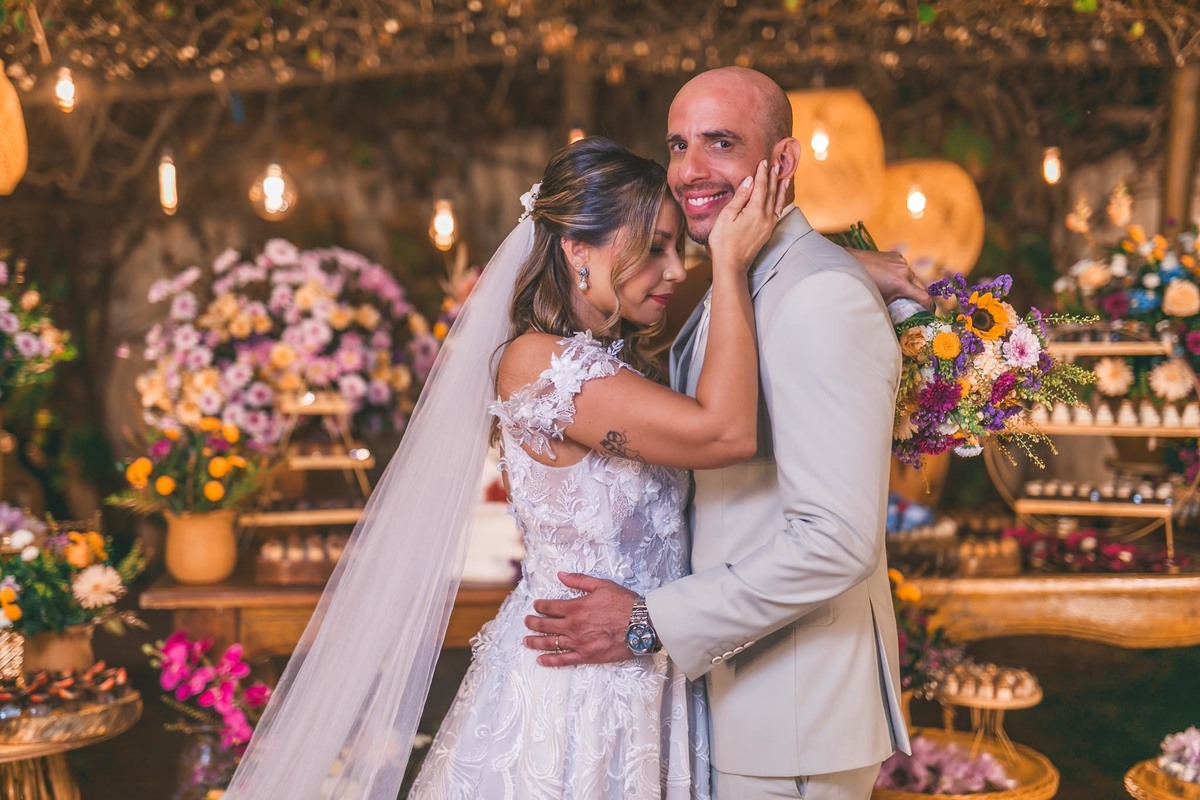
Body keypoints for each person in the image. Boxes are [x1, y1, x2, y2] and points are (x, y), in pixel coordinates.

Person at [227, 138, 923, 798]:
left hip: (649, 670)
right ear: (576, 247)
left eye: (679, 248)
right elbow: (725, 430)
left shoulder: (619, 357)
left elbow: (720, 310)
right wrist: (733, 263)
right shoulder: (539, 364)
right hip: (577, 694)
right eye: (653, 249)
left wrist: (838, 266)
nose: (676, 270)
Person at [524, 67, 915, 800]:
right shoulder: (736, 284)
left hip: (789, 718)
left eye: (721, 143)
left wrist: (649, 620)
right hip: (723, 701)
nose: (690, 170)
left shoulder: (816, 294)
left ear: (783, 163)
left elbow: (834, 540)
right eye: (678, 145)